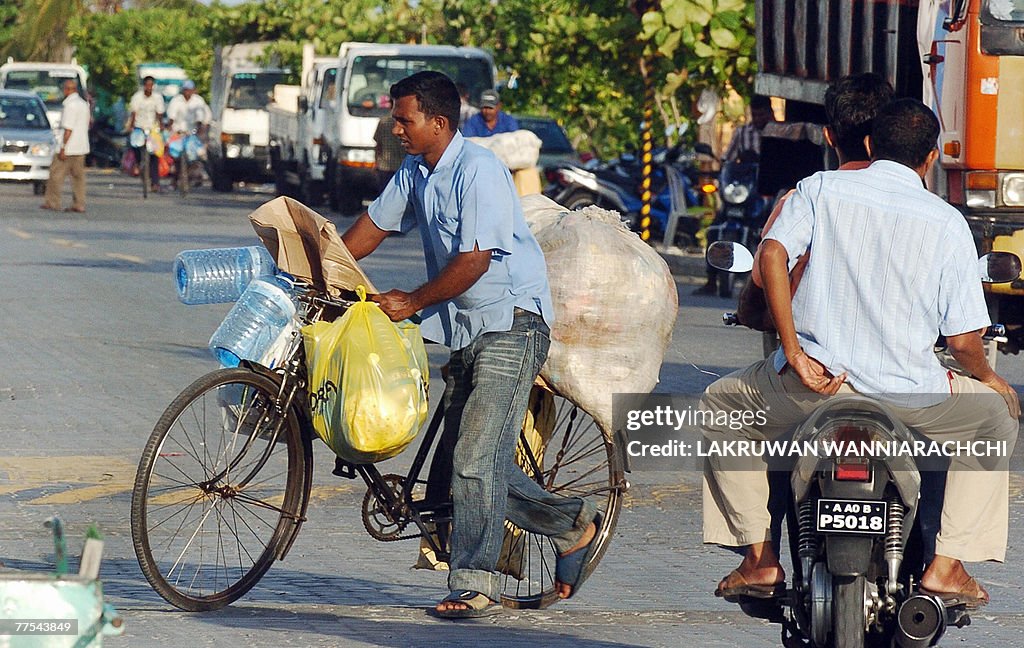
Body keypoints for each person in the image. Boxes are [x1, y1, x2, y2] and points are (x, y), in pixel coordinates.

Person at [702, 98, 1019, 609]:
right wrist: (992, 381)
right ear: (931, 157)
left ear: (870, 146)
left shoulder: (820, 190)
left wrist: (792, 349)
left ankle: (759, 560)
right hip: (911, 401)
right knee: (994, 420)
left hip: (812, 387)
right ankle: (947, 566)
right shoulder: (947, 222)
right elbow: (963, 343)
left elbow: (774, 254)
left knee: (721, 403)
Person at [340, 71, 601, 619]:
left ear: (438, 122)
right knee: (474, 462)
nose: (396, 127)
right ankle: (572, 524)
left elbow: (474, 261)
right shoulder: (415, 171)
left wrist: (411, 301)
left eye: (404, 118)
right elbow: (370, 229)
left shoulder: (478, 170)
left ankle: (475, 582)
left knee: (475, 459)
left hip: (511, 323)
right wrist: (321, 266)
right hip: (462, 327)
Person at [740, 73, 895, 329]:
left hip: (817, 362)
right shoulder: (934, 212)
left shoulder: (806, 196)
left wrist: (791, 347)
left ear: (829, 136)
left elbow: (758, 293)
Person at [693, 95, 776, 296]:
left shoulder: (777, 133)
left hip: (765, 193)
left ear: (770, 112)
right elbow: (728, 160)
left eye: (762, 114)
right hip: (742, 191)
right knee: (715, 228)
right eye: (755, 114)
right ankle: (711, 280)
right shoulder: (742, 133)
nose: (758, 118)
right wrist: (720, 170)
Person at [41, 79, 90, 213]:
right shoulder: (83, 104)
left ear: (67, 90)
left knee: (56, 175)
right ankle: (79, 203)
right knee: (78, 177)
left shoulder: (70, 105)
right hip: (81, 146)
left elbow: (68, 129)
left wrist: (63, 147)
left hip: (69, 147)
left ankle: (53, 202)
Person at [127, 76, 166, 192]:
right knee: (135, 145)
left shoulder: (157, 98)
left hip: (152, 128)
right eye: (147, 85)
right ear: (144, 86)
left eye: (151, 85)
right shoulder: (137, 97)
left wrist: (160, 125)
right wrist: (131, 126)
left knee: (154, 155)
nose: (149, 87)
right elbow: (134, 113)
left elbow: (159, 113)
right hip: (139, 126)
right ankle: (139, 164)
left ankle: (155, 183)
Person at [372, 112, 405, 193]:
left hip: (384, 166)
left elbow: (378, 144)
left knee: (384, 195)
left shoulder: (383, 122)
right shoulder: (405, 123)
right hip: (401, 165)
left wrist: (376, 162)